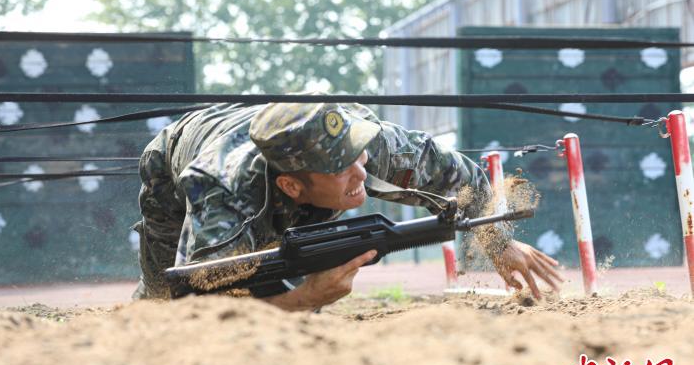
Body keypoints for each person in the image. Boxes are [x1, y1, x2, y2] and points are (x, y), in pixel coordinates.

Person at [132, 100, 562, 310]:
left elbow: (463, 178)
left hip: (267, 158)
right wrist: (304, 298)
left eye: (357, 153)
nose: (361, 169)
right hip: (176, 162)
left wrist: (498, 243)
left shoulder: (369, 144)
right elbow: (201, 308)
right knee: (163, 301)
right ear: (291, 184)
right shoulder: (220, 194)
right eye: (340, 167)